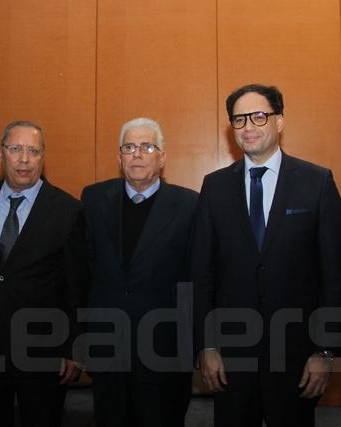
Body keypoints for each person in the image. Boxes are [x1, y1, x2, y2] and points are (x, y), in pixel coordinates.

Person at [191, 84, 341, 426]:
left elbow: (334, 275)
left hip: (296, 357)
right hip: (232, 360)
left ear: (280, 122)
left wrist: (325, 351)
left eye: (259, 116)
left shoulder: (317, 182)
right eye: (239, 119)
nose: (248, 126)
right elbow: (202, 273)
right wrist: (206, 346)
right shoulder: (214, 187)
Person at [0, 120, 89, 427]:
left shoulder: (68, 209)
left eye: (33, 151)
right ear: (0, 153)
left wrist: (74, 347)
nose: (24, 159)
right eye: (15, 149)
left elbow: (78, 285)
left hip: (43, 351)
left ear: (43, 157)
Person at [79, 117, 197, 427]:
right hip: (107, 348)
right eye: (129, 147)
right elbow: (85, 271)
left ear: (162, 157)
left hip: (165, 350)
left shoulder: (190, 205)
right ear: (119, 158)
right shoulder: (93, 199)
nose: (138, 154)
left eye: (147, 146)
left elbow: (194, 279)